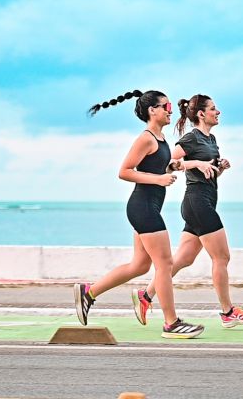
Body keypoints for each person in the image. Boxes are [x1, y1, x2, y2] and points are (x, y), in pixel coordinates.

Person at [74, 89, 204, 339]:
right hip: (142, 206)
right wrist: (158, 179)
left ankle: (89, 292)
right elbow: (124, 171)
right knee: (164, 264)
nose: (171, 111)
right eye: (166, 106)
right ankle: (171, 323)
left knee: (140, 265)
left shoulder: (161, 139)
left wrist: (177, 166)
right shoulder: (146, 138)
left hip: (147, 207)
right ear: (152, 110)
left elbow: (157, 165)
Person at [132, 94, 243, 328]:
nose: (218, 112)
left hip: (205, 199)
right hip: (198, 202)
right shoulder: (190, 138)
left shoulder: (212, 139)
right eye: (213, 109)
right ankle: (228, 313)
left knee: (183, 259)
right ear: (201, 114)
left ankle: (146, 296)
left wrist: (220, 168)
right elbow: (168, 161)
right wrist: (195, 163)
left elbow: (210, 172)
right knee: (222, 257)